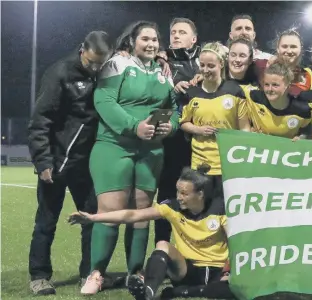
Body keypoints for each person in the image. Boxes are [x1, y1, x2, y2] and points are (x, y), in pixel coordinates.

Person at [81, 20, 178, 295]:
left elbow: (174, 108)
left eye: (155, 40)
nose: (151, 44)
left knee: (140, 213)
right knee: (110, 211)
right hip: (115, 146)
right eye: (145, 39)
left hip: (151, 151)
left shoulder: (163, 71)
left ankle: (135, 272)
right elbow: (104, 101)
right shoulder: (117, 63)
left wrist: (172, 125)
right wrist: (134, 127)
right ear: (132, 42)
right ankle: (96, 272)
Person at [26, 31, 113, 295]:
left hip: (87, 166)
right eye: (92, 62)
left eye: (102, 63)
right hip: (56, 163)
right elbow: (40, 121)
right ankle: (39, 276)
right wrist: (43, 162)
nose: (96, 68)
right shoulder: (60, 73)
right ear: (81, 50)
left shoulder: (104, 73)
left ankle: (89, 273)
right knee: (46, 222)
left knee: (91, 221)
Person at [68, 164, 231, 300]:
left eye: (184, 193)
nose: (179, 197)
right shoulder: (171, 207)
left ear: (200, 194)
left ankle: (179, 293)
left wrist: (229, 271)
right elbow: (133, 215)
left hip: (218, 271)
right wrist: (93, 218)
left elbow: (236, 243)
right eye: (177, 191)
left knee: (236, 291)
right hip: (186, 270)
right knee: (162, 244)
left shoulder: (221, 209)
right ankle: (148, 292)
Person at [178, 41, 251, 207]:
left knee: (226, 212)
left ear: (221, 64)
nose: (205, 70)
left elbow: (244, 127)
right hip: (200, 165)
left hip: (228, 164)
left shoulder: (235, 91)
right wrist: (198, 129)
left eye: (210, 65)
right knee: (202, 212)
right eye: (202, 65)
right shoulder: (192, 93)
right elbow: (183, 123)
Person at [155, 17, 200, 247]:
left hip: (199, 143)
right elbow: (155, 103)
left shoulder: (207, 60)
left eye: (182, 32)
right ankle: (160, 249)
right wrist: (173, 90)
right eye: (173, 32)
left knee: (195, 197)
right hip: (169, 142)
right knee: (165, 196)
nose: (176, 35)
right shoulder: (158, 62)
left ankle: (193, 255)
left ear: (194, 39)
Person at [240, 62, 312, 139]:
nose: (270, 89)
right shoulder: (254, 98)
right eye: (266, 84)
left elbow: (307, 132)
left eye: (275, 85)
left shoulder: (302, 111)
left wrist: (301, 137)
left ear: (288, 86)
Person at [254, 29, 312, 97]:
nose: (289, 51)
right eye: (284, 46)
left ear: (300, 49)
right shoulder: (261, 66)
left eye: (293, 47)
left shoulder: (307, 76)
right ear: (278, 48)